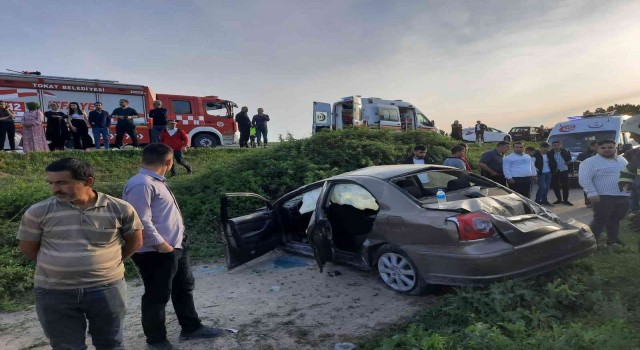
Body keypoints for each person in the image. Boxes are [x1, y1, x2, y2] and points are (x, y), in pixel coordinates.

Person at [17, 158, 143, 349]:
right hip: (54, 292)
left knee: (111, 343)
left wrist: (105, 265)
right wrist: (62, 267)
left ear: (88, 181)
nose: (54, 189)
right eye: (51, 183)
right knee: (66, 346)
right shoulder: (38, 212)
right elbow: (28, 249)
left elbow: (135, 241)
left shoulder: (119, 208)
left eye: (62, 182)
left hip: (106, 288)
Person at [123, 144, 223, 349]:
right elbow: (140, 221)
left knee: (183, 287)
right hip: (156, 251)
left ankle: (191, 327)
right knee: (156, 295)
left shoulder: (154, 181)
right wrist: (161, 245)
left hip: (175, 247)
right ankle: (157, 341)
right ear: (169, 162)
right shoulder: (141, 184)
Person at [579, 140, 629, 247]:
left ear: (615, 148)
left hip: (622, 195)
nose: (607, 150)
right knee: (600, 220)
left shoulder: (622, 160)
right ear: (597, 149)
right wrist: (591, 192)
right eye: (603, 148)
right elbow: (584, 179)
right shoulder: (590, 162)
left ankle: (613, 241)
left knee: (615, 219)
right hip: (602, 196)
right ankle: (590, 244)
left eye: (610, 147)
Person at [550, 140, 572, 205]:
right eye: (554, 145)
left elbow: (569, 160)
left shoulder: (566, 151)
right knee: (555, 186)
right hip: (554, 171)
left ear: (561, 145)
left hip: (564, 170)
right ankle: (559, 199)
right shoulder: (550, 152)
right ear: (552, 146)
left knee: (565, 186)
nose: (556, 146)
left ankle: (565, 200)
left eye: (558, 145)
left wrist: (568, 162)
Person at [577, 141, 598, 207]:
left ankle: (597, 202)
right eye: (596, 146)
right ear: (591, 146)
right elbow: (579, 165)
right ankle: (588, 202)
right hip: (587, 174)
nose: (597, 148)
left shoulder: (600, 154)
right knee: (588, 188)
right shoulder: (582, 155)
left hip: (597, 174)